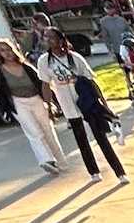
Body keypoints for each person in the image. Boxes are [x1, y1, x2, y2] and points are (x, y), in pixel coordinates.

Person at [36, 27, 126, 181]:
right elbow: (45, 84)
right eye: (46, 38)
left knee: (100, 137)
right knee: (81, 139)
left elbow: (91, 81)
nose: (48, 40)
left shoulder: (75, 57)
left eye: (52, 37)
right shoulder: (44, 61)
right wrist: (48, 105)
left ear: (60, 39)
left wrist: (103, 102)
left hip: (86, 102)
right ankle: (94, 172)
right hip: (68, 104)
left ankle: (120, 172)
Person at [0, 37, 66, 174]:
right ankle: (47, 161)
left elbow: (42, 83)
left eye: (9, 50)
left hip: (36, 99)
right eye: (3, 51)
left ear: (14, 50)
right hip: (18, 103)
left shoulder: (25, 67)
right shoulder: (0, 71)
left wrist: (52, 102)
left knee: (47, 130)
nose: (7, 53)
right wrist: (5, 111)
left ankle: (60, 160)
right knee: (34, 132)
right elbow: (0, 93)